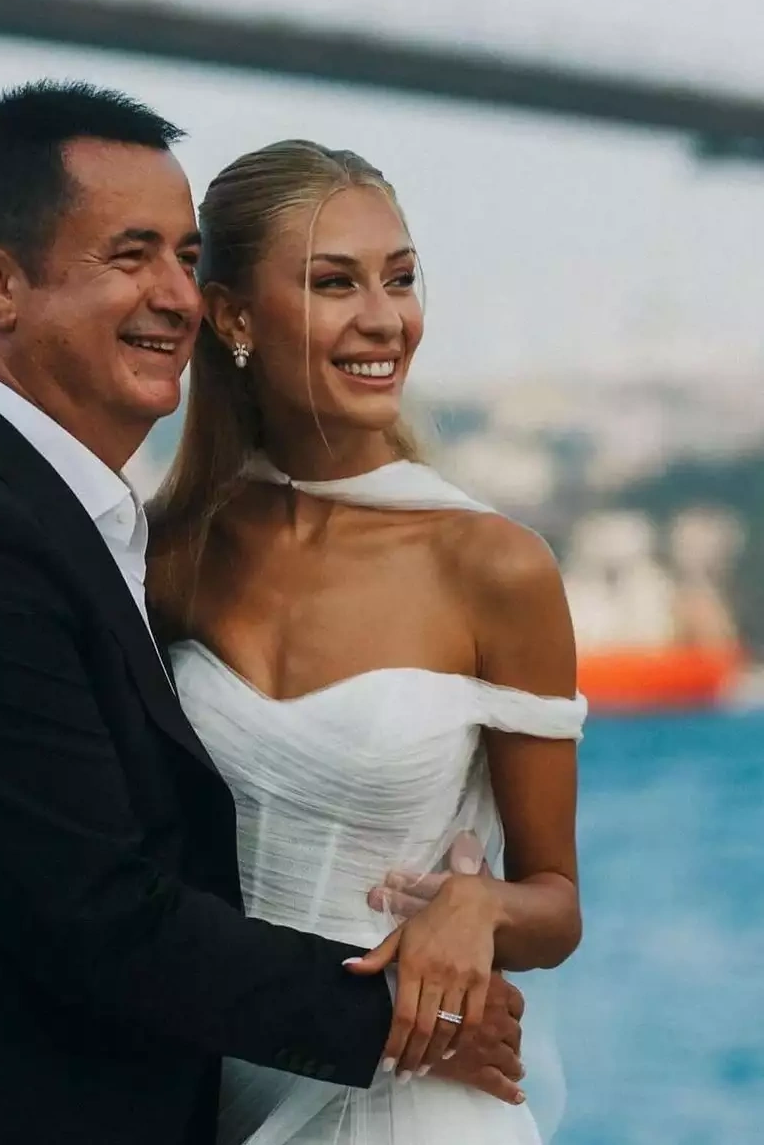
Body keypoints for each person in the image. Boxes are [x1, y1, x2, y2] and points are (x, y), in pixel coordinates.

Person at [0, 86, 523, 1145]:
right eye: (131, 257)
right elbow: (95, 915)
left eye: (187, 258)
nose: (178, 297)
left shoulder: (70, 521)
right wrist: (411, 1018)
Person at [148, 139, 587, 1143]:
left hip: (416, 1105)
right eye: (334, 282)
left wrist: (478, 911)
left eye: (400, 278)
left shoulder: (495, 567)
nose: (386, 318)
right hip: (207, 1093)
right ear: (233, 317)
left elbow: (557, 905)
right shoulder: (170, 557)